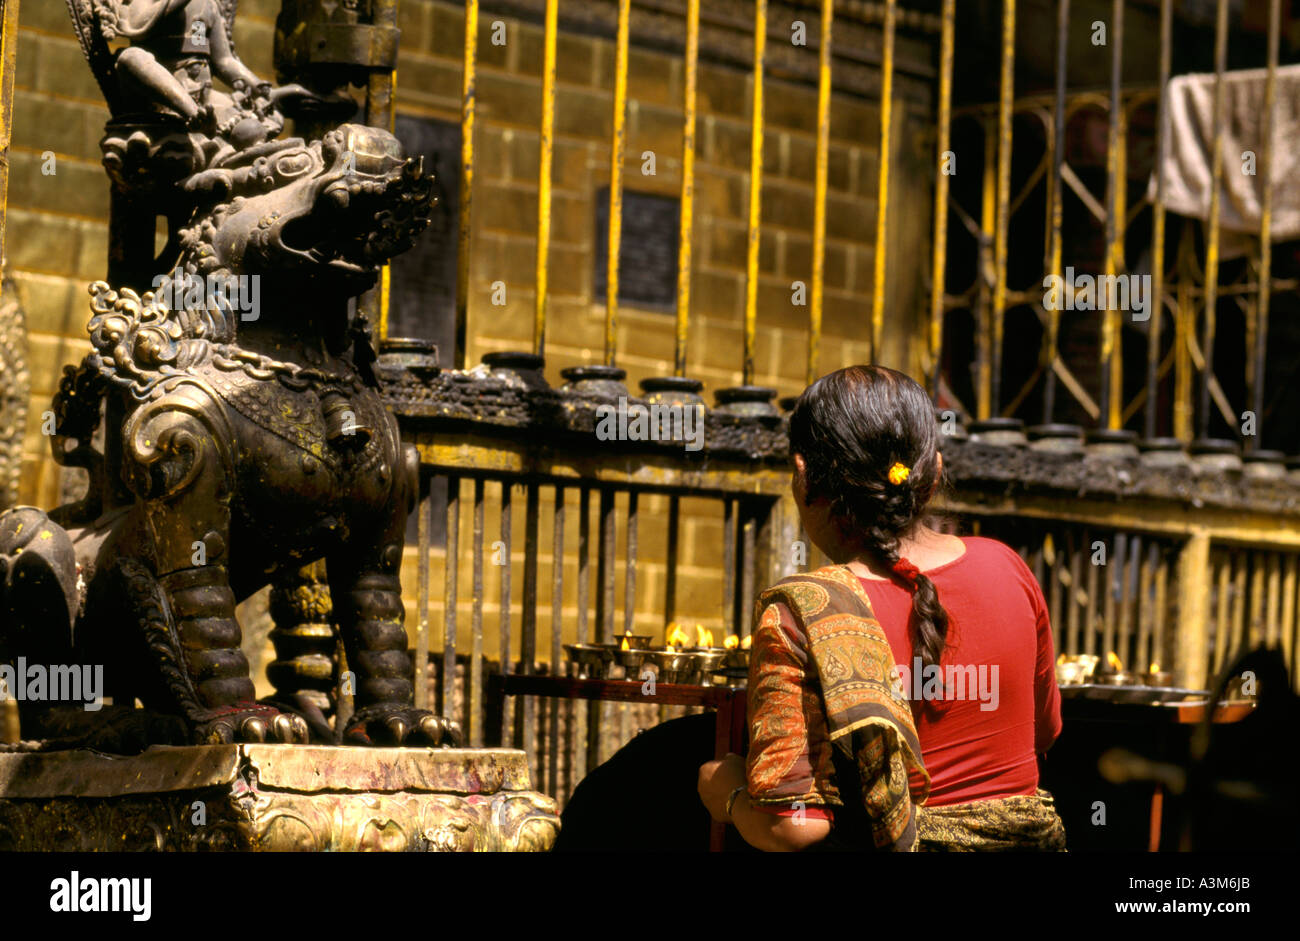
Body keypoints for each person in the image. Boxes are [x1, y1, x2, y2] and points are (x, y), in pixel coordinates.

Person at [698, 364, 1066, 851]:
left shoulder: (801, 610)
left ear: (802, 475)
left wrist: (726, 790)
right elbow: (1045, 734)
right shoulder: (1008, 568)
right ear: (934, 472)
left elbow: (792, 826)